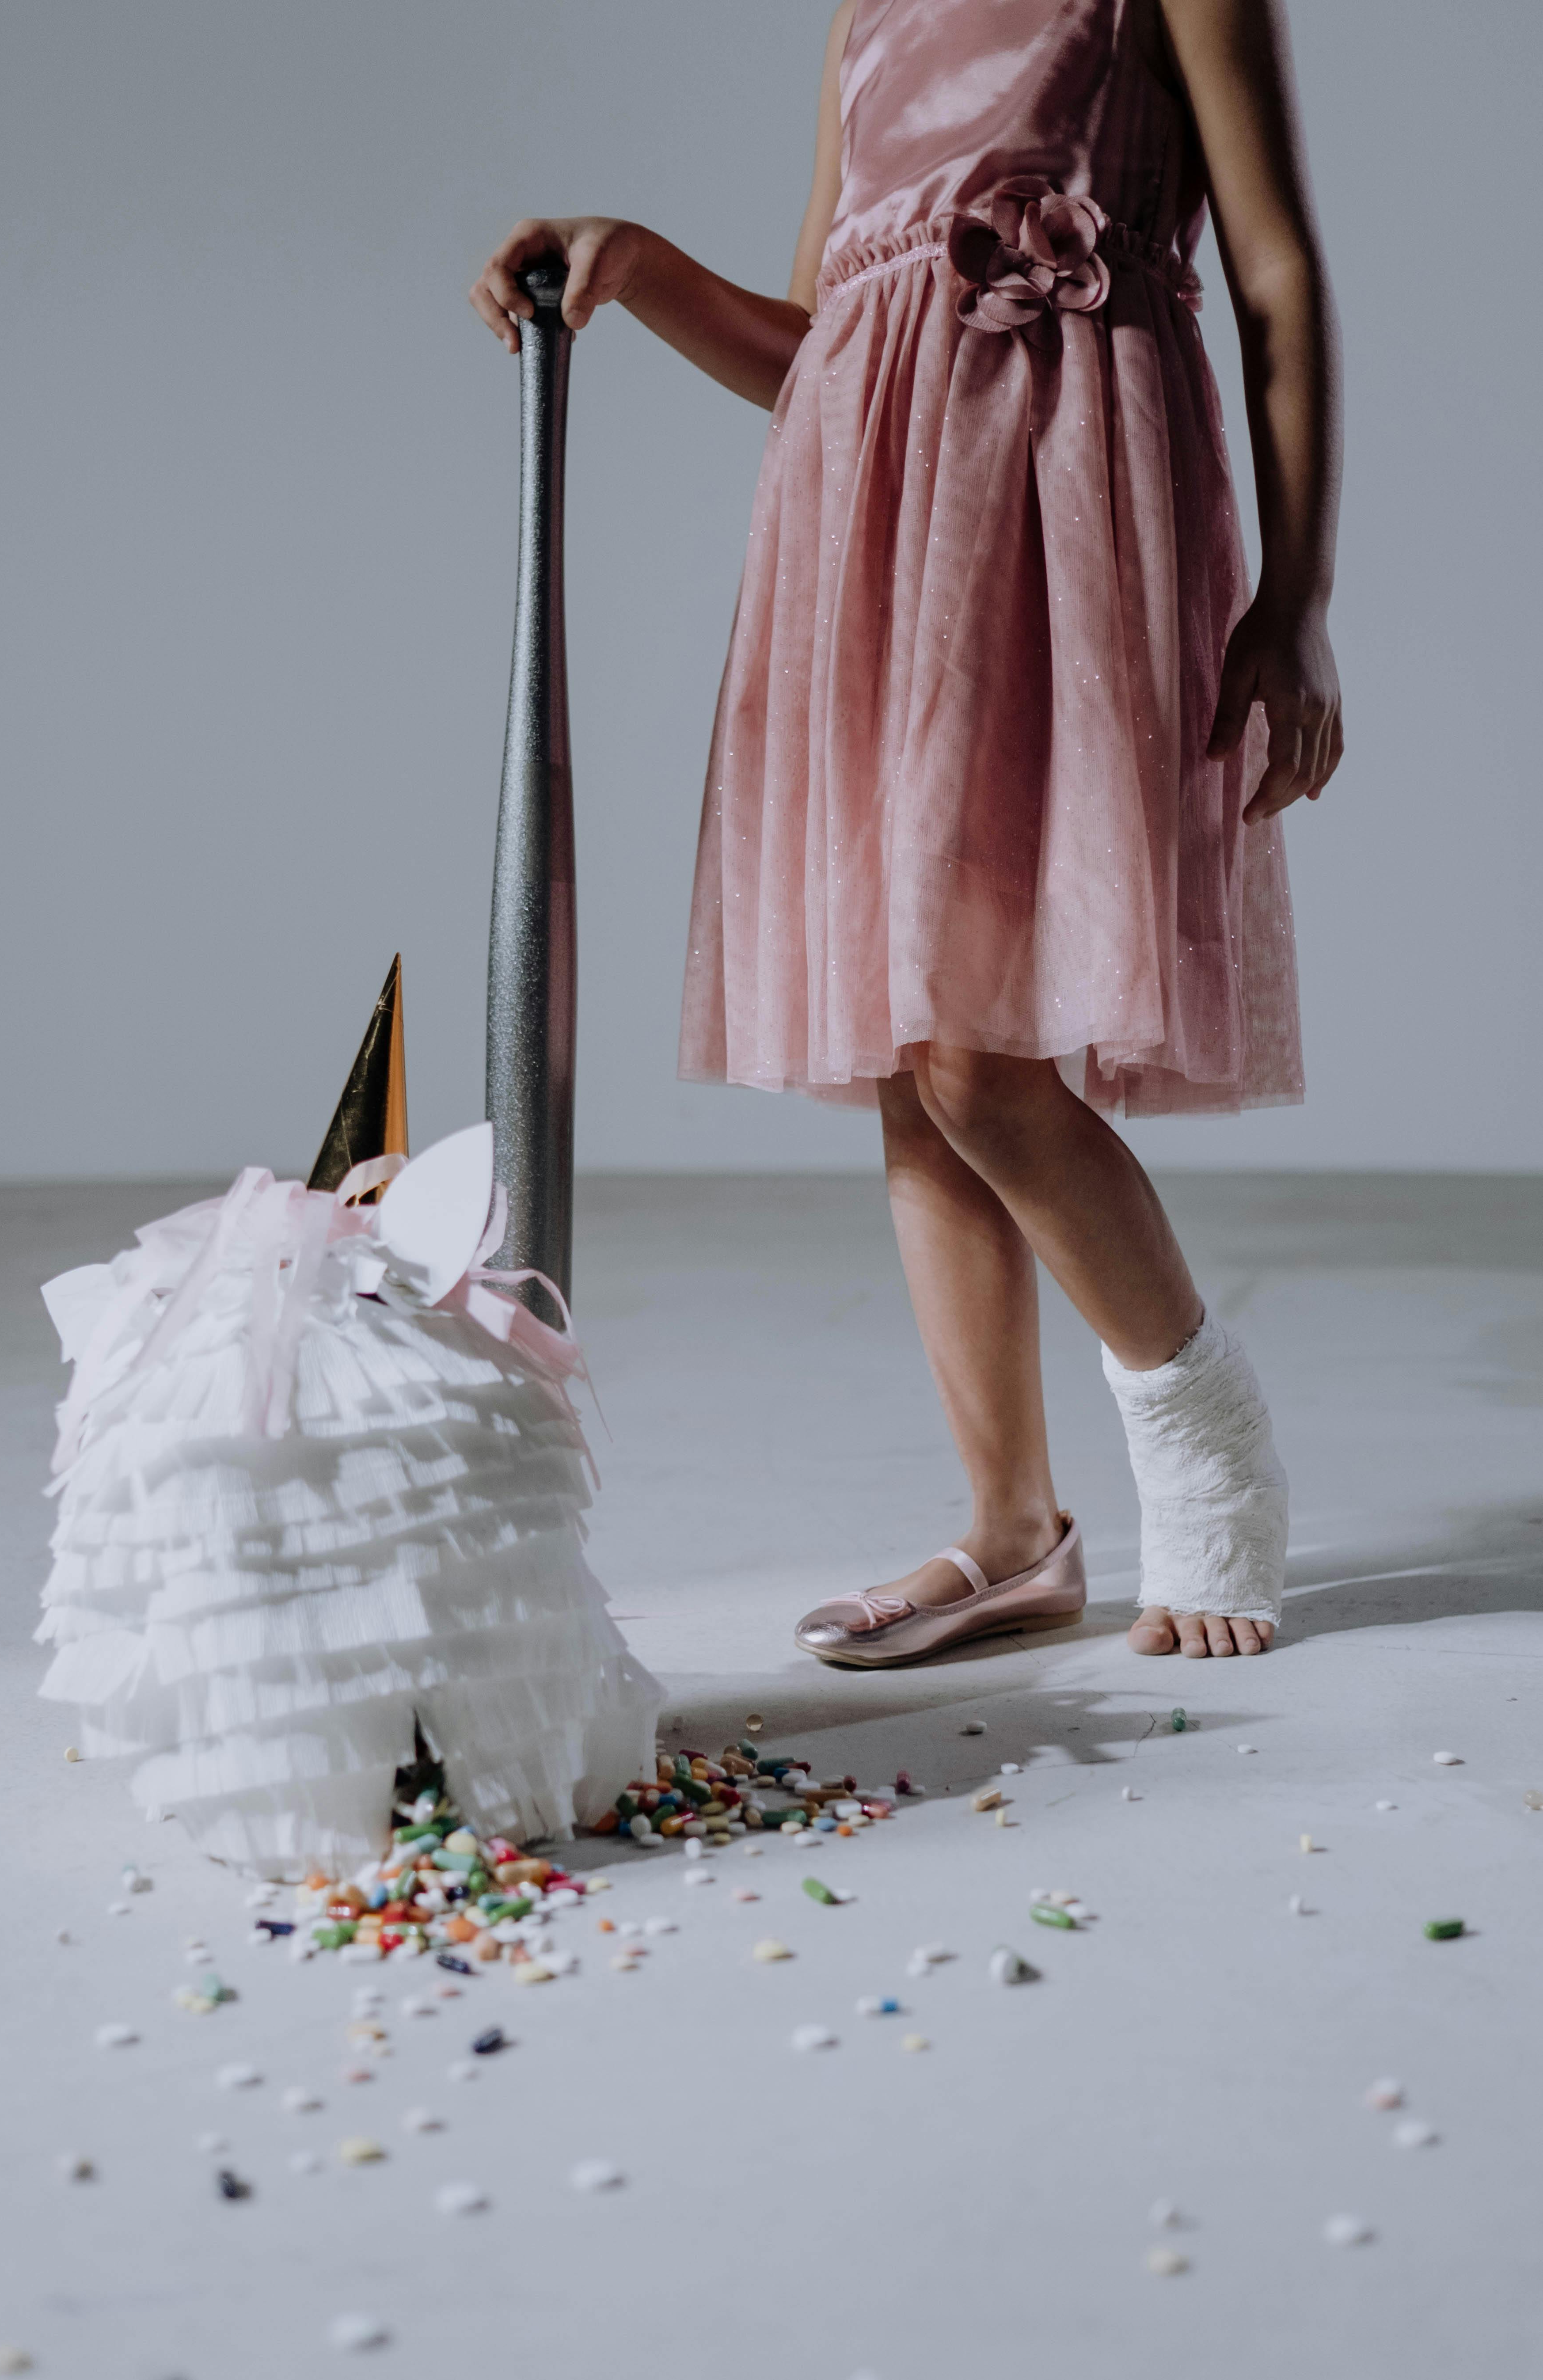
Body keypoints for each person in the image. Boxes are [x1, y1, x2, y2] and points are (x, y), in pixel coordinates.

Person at [470, 0, 1341, 1667]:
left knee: (975, 1061)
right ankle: (1011, 1532)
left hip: (1068, 512)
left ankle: (1208, 1447)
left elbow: (1279, 279)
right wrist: (640, 266)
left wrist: (1294, 604)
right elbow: (821, 347)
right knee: (915, 1047)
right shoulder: (867, 13)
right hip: (872, 549)